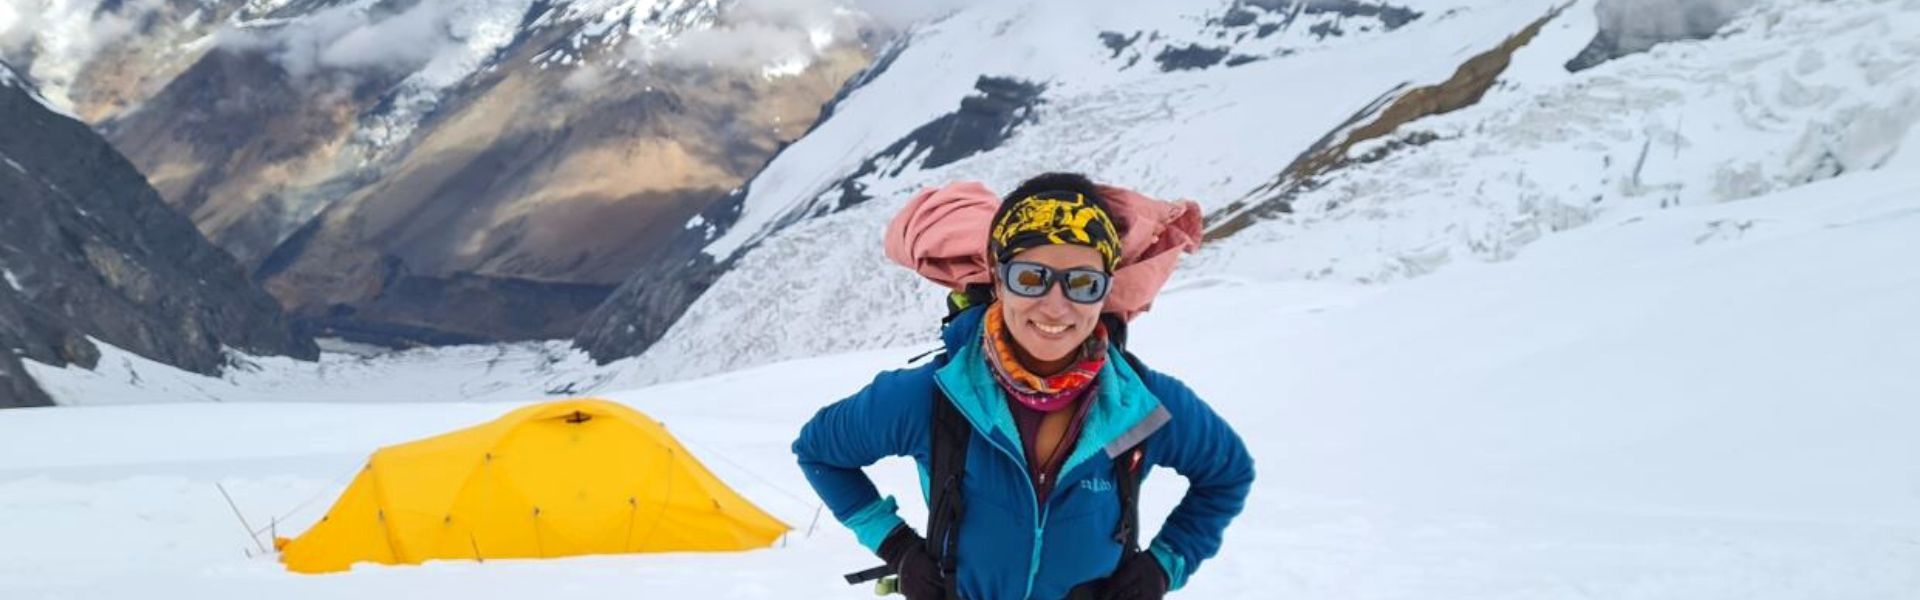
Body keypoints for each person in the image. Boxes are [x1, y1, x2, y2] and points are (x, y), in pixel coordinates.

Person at [793, 173, 1254, 599]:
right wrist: (897, 548)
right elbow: (820, 452)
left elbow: (1226, 472)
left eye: (1083, 283)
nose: (1055, 307)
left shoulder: (1141, 408)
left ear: (1105, 291)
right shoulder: (934, 397)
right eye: (1031, 278)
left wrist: (1165, 564)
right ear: (998, 277)